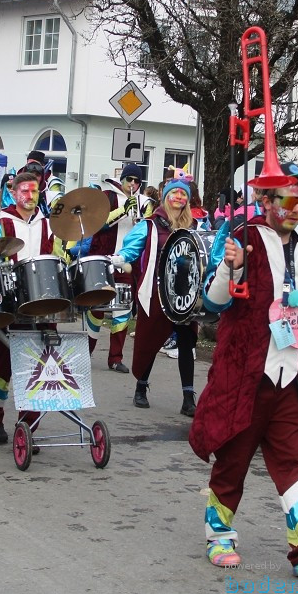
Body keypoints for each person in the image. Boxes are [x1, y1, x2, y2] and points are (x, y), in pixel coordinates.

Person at [192, 178, 298, 577]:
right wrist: (232, 266)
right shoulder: (244, 237)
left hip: (290, 376)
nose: (295, 208)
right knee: (233, 458)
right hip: (246, 373)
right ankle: (219, 535)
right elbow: (213, 301)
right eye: (287, 200)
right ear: (265, 201)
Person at [0, 171, 67, 441]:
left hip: (42, 302)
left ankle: (26, 429)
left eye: (34, 191)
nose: (30, 196)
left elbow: (57, 256)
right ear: (14, 193)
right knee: (2, 365)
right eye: (24, 191)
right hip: (10, 302)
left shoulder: (49, 222)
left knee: (39, 366)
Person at [114, 170, 200, 415]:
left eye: (183, 194)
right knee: (150, 341)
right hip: (156, 292)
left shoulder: (194, 226)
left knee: (186, 342)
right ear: (165, 197)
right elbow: (131, 248)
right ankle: (141, 388)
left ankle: (188, 398)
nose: (179, 198)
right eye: (174, 193)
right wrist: (120, 258)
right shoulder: (151, 225)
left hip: (185, 295)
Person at [85, 162, 154, 374]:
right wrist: (122, 210)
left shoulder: (144, 201)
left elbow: (149, 228)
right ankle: (86, 353)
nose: (132, 184)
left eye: (136, 181)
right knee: (96, 308)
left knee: (123, 310)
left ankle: (115, 358)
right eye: (129, 180)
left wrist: (140, 215)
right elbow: (98, 223)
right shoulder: (107, 196)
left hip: (127, 264)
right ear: (122, 179)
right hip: (104, 260)